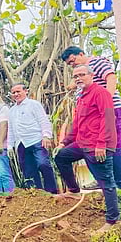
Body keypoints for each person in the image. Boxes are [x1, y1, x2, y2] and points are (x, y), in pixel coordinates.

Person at [54, 64, 119, 235]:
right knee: (61, 157)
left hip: (97, 145)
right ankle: (74, 191)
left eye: (82, 75)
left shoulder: (101, 93)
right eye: (76, 76)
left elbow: (108, 118)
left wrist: (102, 144)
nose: (78, 78)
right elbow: (77, 124)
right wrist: (65, 142)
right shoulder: (81, 96)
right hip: (82, 143)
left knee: (106, 182)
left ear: (91, 75)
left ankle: (112, 220)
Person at [61, 46, 121, 190]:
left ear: (81, 54)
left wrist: (106, 102)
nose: (72, 64)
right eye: (69, 64)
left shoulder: (97, 62)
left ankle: (118, 183)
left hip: (109, 111)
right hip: (90, 117)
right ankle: (102, 180)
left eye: (73, 60)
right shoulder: (83, 74)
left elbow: (111, 78)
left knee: (115, 146)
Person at [7, 83, 58, 194]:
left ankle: (52, 192)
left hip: (37, 140)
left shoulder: (33, 105)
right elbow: (11, 129)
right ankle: (36, 194)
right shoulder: (11, 111)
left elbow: (43, 120)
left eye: (18, 91)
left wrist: (46, 136)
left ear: (25, 91)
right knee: (29, 172)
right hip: (21, 144)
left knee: (43, 164)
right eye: (14, 92)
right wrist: (10, 146)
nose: (16, 94)